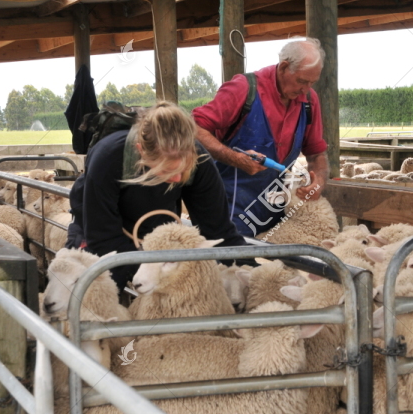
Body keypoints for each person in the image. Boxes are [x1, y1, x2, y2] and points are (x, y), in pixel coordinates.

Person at [66, 101, 249, 290]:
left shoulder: (200, 161)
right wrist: (155, 267)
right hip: (96, 229)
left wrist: (254, 271)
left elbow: (218, 230)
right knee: (97, 293)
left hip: (152, 234)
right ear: (141, 150)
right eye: (168, 171)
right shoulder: (108, 158)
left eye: (183, 169)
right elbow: (102, 238)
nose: (178, 178)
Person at [192, 38, 330, 237]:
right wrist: (234, 158)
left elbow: (317, 153)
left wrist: (319, 182)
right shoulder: (244, 89)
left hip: (272, 212)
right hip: (227, 209)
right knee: (232, 266)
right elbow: (194, 127)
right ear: (283, 67)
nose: (306, 89)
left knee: (270, 266)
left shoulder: (308, 101)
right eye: (301, 81)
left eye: (311, 83)